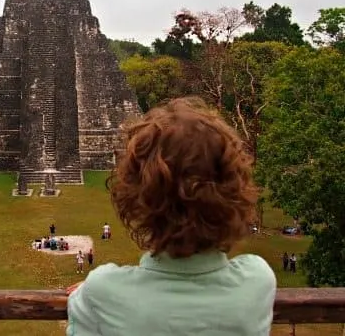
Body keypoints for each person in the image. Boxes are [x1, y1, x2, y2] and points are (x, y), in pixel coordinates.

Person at [66, 97, 276, 336]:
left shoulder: (103, 291)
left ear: (137, 200)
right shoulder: (257, 281)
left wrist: (91, 296)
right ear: (235, 194)